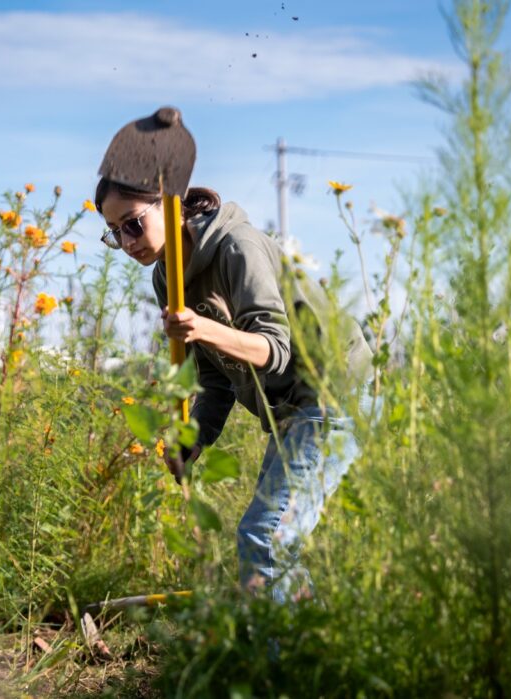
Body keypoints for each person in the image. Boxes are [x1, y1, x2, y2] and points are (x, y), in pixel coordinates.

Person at [95, 179, 372, 603]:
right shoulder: (167, 278)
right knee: (272, 539)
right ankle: (307, 649)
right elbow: (213, 380)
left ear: (170, 206)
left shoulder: (237, 248)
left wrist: (205, 327)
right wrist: (194, 436)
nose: (127, 242)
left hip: (336, 391)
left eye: (132, 224)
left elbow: (275, 350)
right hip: (291, 407)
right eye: (115, 232)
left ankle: (281, 664)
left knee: (266, 537)